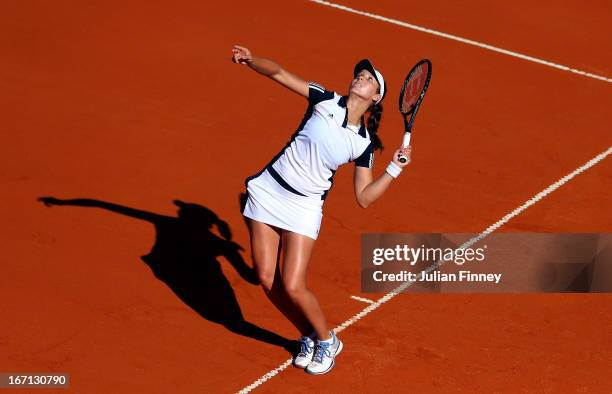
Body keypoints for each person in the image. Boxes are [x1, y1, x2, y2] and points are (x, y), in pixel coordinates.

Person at [231, 45, 411, 375]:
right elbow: (280, 73)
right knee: (266, 278)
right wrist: (252, 60)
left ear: (376, 97)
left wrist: (394, 169)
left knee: (293, 285)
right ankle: (308, 335)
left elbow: (364, 197)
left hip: (303, 207)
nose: (361, 77)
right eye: (360, 73)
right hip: (268, 190)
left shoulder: (364, 144)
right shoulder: (323, 99)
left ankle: (328, 340)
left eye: (369, 78)